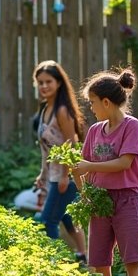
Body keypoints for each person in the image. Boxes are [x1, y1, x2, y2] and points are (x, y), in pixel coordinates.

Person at [73, 68, 138, 276]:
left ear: (106, 102)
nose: (91, 108)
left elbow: (124, 163)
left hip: (127, 199)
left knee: (132, 260)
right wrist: (83, 189)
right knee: (99, 262)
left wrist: (89, 166)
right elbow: (82, 167)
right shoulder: (95, 131)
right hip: (99, 200)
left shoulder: (132, 126)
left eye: (92, 103)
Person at [33, 60, 86, 262]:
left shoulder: (62, 110)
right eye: (40, 82)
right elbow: (46, 149)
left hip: (65, 177)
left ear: (59, 83)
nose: (44, 86)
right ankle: (83, 257)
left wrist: (65, 175)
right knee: (67, 218)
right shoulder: (45, 109)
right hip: (53, 175)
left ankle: (53, 264)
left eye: (48, 81)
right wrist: (42, 174)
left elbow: (71, 144)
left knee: (47, 222)